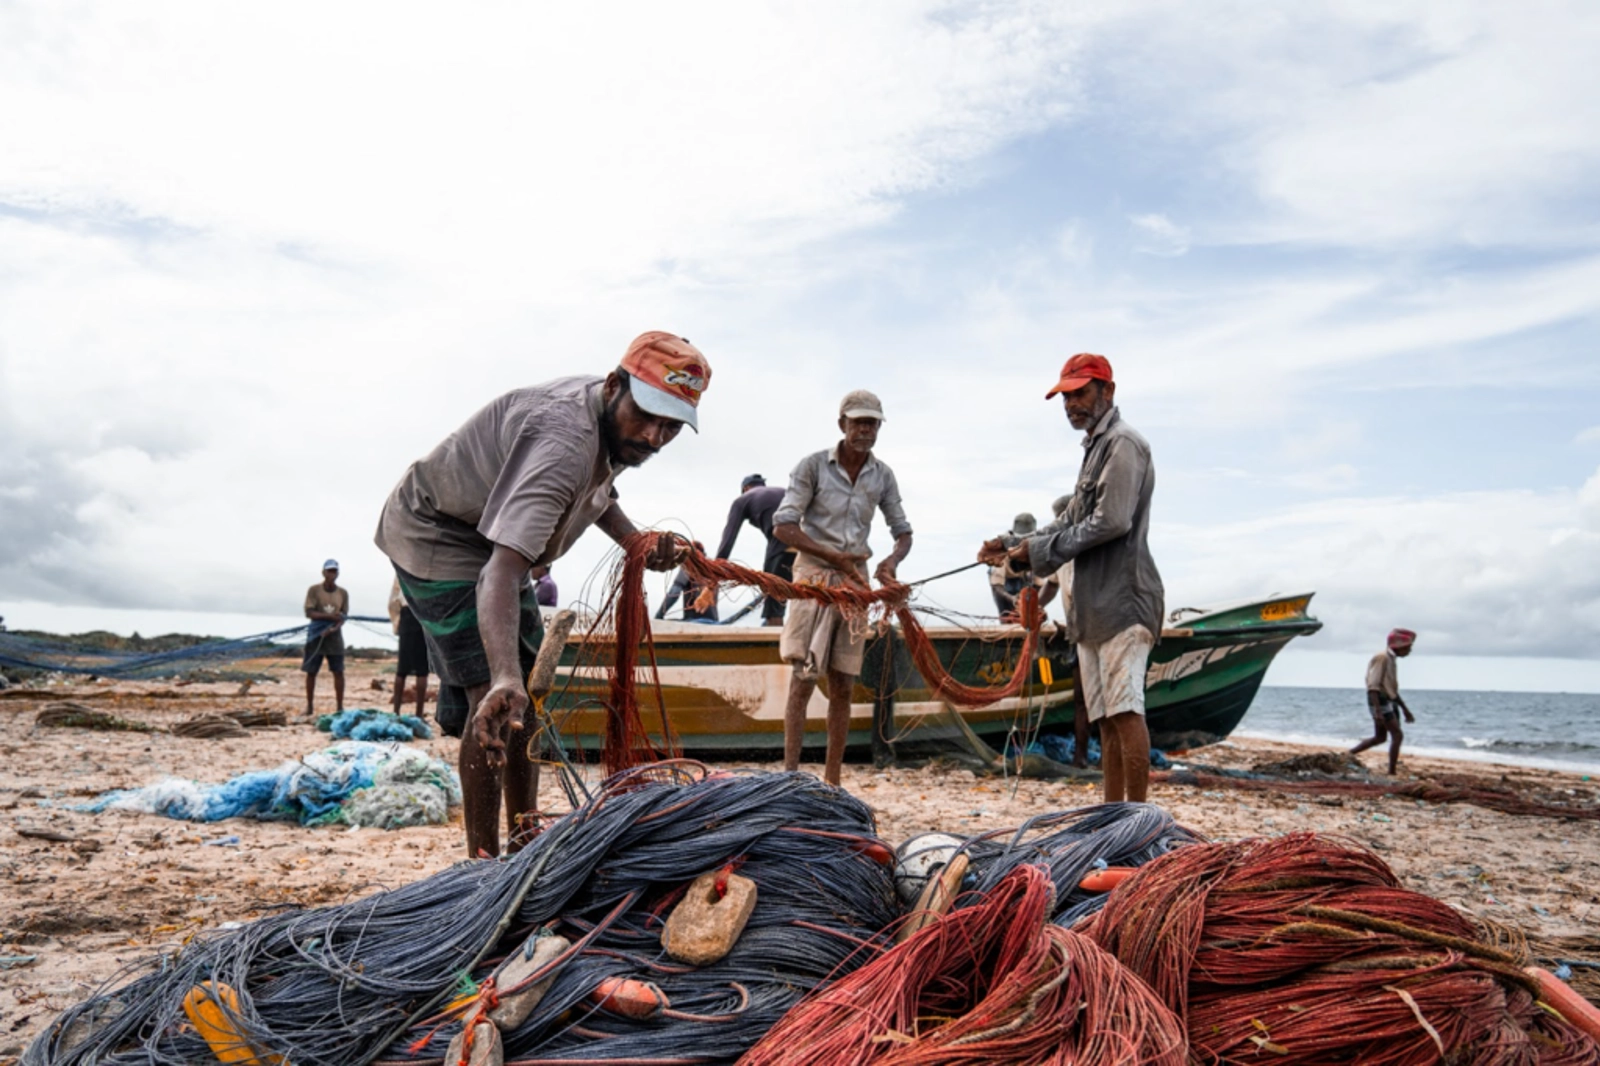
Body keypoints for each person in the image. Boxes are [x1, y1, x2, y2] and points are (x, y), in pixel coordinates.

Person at [374, 331, 709, 857]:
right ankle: (481, 866)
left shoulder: (614, 428)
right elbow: (500, 574)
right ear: (615, 385)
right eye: (647, 417)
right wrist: (505, 674)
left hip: (496, 541)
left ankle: (525, 835)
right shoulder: (563, 443)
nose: (653, 436)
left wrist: (634, 541)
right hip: (438, 531)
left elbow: (599, 491)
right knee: (496, 693)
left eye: (670, 426)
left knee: (529, 696)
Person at [980, 353, 1163, 803]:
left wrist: (1034, 552)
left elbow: (1110, 522)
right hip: (1091, 610)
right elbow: (1068, 523)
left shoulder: (1124, 444)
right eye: (1065, 396)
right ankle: (1110, 814)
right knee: (1104, 717)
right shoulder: (1094, 449)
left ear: (1108, 391)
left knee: (1124, 712)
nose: (1071, 404)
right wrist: (1010, 547)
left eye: (1080, 392)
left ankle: (1135, 820)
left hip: (1123, 603)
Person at [773, 389, 913, 786]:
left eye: (872, 423)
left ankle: (832, 780)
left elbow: (902, 531)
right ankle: (788, 779)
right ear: (842, 425)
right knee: (803, 676)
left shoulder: (883, 475)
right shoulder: (813, 466)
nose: (865, 430)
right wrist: (834, 558)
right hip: (814, 578)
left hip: (857, 583)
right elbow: (784, 525)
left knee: (844, 682)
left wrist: (889, 563)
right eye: (858, 422)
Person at [715, 474, 794, 625]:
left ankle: (774, 640)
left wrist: (713, 578)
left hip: (783, 541)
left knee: (774, 603)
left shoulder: (742, 500)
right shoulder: (784, 491)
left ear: (746, 488)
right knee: (812, 596)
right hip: (814, 543)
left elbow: (728, 539)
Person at [1351, 628, 1417, 775]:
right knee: (1397, 735)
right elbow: (1373, 686)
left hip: (1387, 699)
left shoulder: (1391, 659)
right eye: (1408, 647)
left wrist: (1405, 709)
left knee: (1380, 737)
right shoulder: (1382, 658)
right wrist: (1378, 711)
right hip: (1378, 699)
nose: (1410, 651)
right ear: (1400, 646)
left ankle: (1348, 755)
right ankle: (1392, 771)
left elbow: (1392, 689)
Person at [303, 559, 349, 717]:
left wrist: (334, 628)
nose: (332, 574)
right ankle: (309, 707)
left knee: (338, 672)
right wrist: (330, 618)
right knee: (311, 672)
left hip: (334, 636)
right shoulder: (314, 590)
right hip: (316, 634)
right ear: (323, 572)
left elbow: (343, 617)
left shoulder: (343, 593)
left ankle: (340, 707)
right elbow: (309, 612)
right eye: (329, 571)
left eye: (334, 571)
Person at [387, 577, 431, 718]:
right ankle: (418, 714)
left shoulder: (401, 565)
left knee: (402, 669)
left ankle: (396, 712)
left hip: (407, 615)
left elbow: (393, 601)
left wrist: (397, 624)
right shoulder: (429, 564)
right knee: (422, 670)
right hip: (424, 614)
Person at [987, 513, 1039, 616]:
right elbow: (997, 585)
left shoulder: (1038, 546)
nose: (1023, 541)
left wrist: (1034, 604)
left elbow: (1039, 583)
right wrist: (1013, 600)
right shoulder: (1001, 547)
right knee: (1007, 615)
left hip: (1026, 579)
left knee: (1029, 613)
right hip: (1005, 582)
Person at [656, 541, 720, 622]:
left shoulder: (689, 567)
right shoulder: (713, 571)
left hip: (695, 621)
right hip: (713, 621)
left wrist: (658, 616)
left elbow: (674, 592)